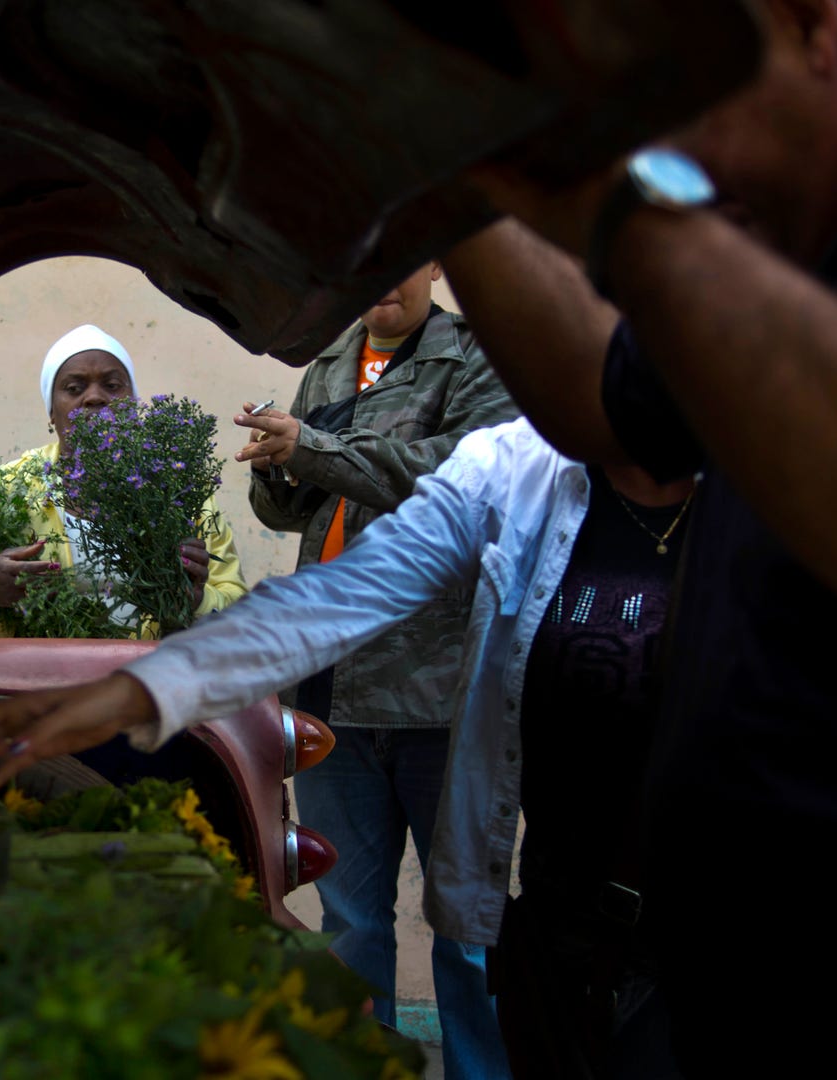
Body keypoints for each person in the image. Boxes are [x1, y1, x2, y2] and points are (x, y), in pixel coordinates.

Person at [421, 0, 837, 1073]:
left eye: (679, 97)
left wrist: (622, 216)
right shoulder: (826, 252)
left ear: (812, 22)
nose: (680, 158)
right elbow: (595, 389)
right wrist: (440, 166)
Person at [0, 417, 694, 1078]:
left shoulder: (782, 471)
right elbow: (340, 595)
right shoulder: (520, 468)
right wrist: (135, 692)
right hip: (575, 931)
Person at [235, 260, 516, 1074]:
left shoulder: (479, 357)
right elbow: (288, 504)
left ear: (435, 261)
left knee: (466, 931)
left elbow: (458, 476)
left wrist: (314, 447)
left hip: (442, 692)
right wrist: (280, 460)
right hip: (331, 691)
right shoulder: (329, 362)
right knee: (351, 923)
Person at [0, 324, 247, 638]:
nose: (94, 398)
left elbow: (240, 620)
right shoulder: (7, 490)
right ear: (52, 411)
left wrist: (196, 600)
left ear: (133, 403)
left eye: (112, 385)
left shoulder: (179, 495)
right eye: (74, 388)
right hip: (39, 684)